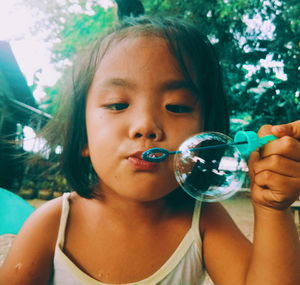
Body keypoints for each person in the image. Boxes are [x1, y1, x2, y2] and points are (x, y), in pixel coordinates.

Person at [0, 16, 299, 285]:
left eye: (177, 106)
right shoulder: (53, 224)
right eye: (118, 104)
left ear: (207, 136)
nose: (146, 126)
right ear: (83, 139)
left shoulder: (204, 221)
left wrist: (273, 210)